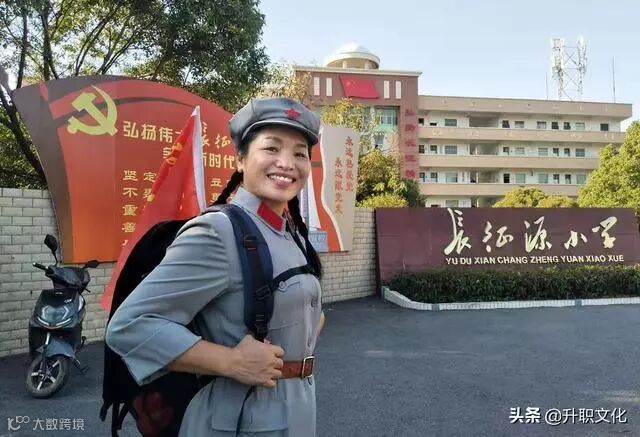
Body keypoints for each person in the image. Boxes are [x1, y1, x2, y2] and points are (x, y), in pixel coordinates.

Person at [105, 97, 326, 436]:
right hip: (243, 418)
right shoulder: (219, 231)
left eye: (300, 154)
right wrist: (231, 361)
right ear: (240, 159)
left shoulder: (289, 233)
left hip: (295, 405)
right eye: (271, 148)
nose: (287, 163)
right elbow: (130, 325)